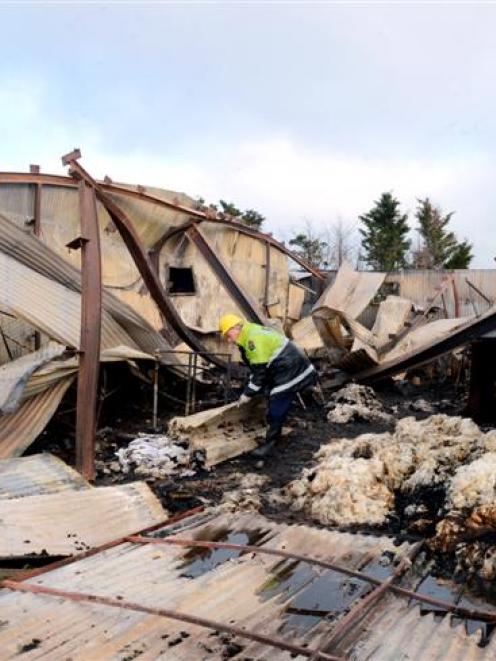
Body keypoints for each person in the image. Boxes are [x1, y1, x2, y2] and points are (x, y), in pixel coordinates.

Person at [219, 314, 317, 458]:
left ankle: (270, 445)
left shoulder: (252, 340)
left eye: (228, 335)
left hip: (291, 369)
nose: (229, 340)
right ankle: (274, 422)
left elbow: (259, 373)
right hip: (286, 366)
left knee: (277, 404)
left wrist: (246, 395)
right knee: (270, 393)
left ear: (235, 329)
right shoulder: (248, 332)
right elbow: (257, 368)